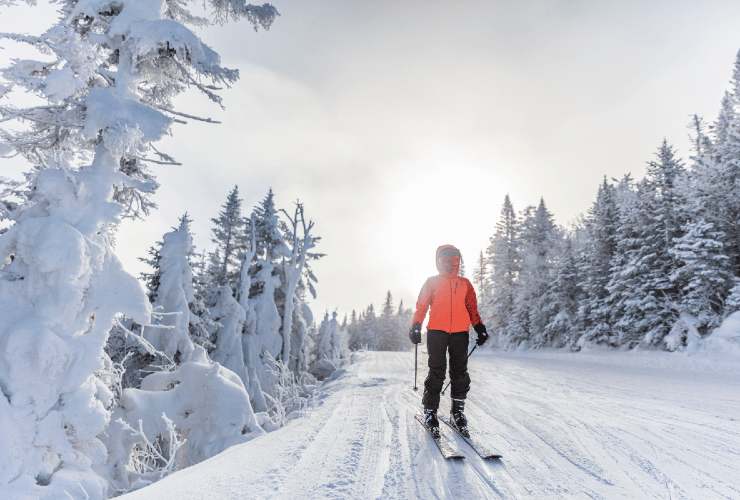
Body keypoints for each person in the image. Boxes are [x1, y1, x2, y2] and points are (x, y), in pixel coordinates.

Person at [409, 244, 489, 435]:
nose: (451, 263)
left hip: (460, 333)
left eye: (454, 260)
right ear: (438, 262)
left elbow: (472, 309)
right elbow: (421, 306)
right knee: (437, 371)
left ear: (458, 261)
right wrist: (415, 326)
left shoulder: (465, 284)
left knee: (460, 372)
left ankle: (457, 412)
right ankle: (430, 411)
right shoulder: (432, 282)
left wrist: (479, 328)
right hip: (436, 332)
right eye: (446, 260)